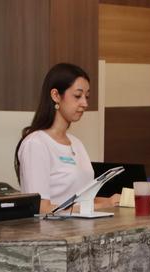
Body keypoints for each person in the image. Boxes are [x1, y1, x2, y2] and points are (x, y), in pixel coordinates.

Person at [14, 63, 119, 214]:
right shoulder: (36, 143)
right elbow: (41, 208)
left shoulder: (76, 143)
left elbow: (82, 200)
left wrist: (115, 200)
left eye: (86, 96)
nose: (85, 103)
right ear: (55, 95)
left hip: (83, 232)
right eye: (77, 96)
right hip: (52, 235)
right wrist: (101, 206)